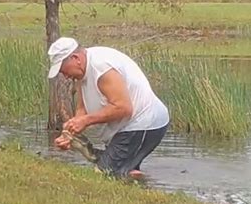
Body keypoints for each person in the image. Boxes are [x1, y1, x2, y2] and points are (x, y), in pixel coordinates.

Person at [48, 37, 169, 179]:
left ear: (75, 58)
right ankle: (135, 181)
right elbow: (83, 107)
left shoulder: (102, 68)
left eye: (63, 70)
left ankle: (142, 185)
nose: (65, 76)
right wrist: (69, 134)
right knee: (121, 169)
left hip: (144, 123)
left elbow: (124, 108)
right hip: (126, 127)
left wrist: (86, 121)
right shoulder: (82, 71)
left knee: (104, 174)